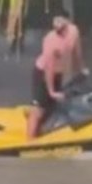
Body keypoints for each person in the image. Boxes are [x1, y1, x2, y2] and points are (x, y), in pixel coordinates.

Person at [28, 11, 88, 140]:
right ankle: (29, 140)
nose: (58, 26)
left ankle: (43, 130)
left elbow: (77, 53)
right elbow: (49, 68)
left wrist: (81, 68)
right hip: (43, 74)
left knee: (54, 106)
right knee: (39, 109)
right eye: (56, 24)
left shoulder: (74, 31)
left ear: (67, 22)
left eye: (61, 23)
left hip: (58, 74)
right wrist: (51, 91)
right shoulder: (50, 40)